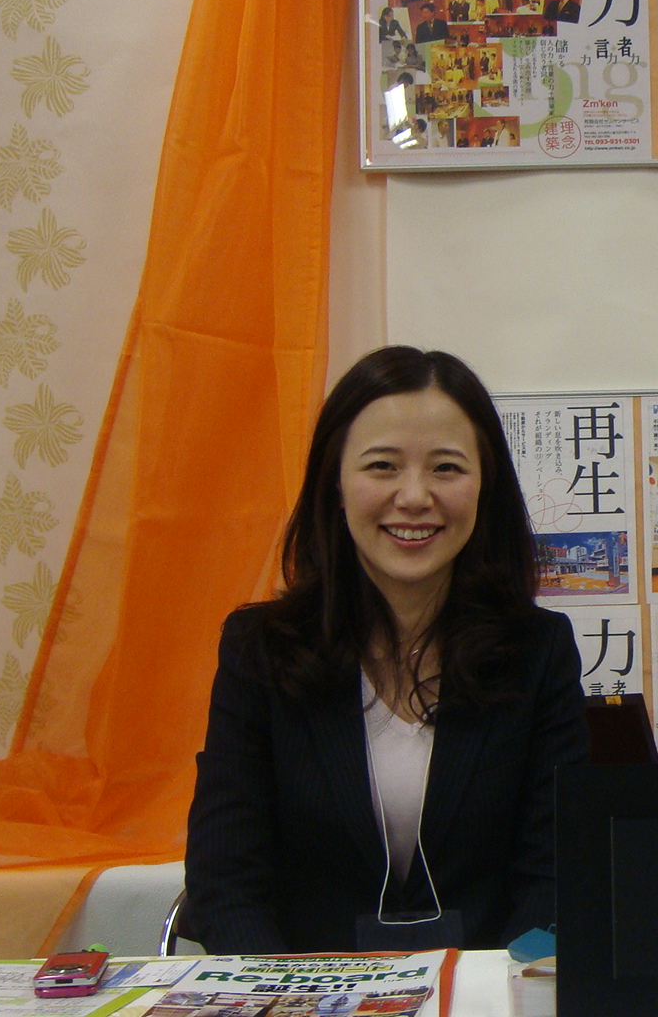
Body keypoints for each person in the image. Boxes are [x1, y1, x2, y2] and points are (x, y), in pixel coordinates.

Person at [186, 346, 589, 954]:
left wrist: (500, 988)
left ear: (485, 486)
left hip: (481, 990)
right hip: (306, 991)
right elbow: (225, 881)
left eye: (446, 468)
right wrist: (287, 994)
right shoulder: (259, 651)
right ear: (335, 483)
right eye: (382, 466)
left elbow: (555, 876)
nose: (415, 496)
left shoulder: (538, 650)